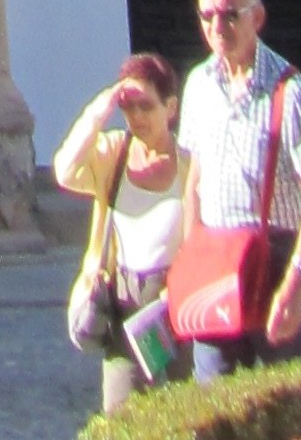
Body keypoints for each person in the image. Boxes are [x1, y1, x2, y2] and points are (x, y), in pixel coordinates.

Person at [172, 0, 301, 373]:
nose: (217, 26)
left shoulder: (292, 92)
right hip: (216, 256)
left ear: (257, 18)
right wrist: (192, 257)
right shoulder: (198, 85)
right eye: (207, 16)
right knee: (215, 405)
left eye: (229, 14)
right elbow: (193, 182)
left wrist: (296, 285)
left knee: (291, 403)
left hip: (277, 257)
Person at [53, 53, 188, 411]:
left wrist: (178, 289)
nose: (137, 117)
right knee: (121, 415)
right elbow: (65, 169)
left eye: (147, 106)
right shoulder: (115, 151)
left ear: (170, 107)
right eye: (129, 107)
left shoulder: (190, 163)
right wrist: (103, 106)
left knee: (184, 409)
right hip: (123, 300)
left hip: (171, 300)